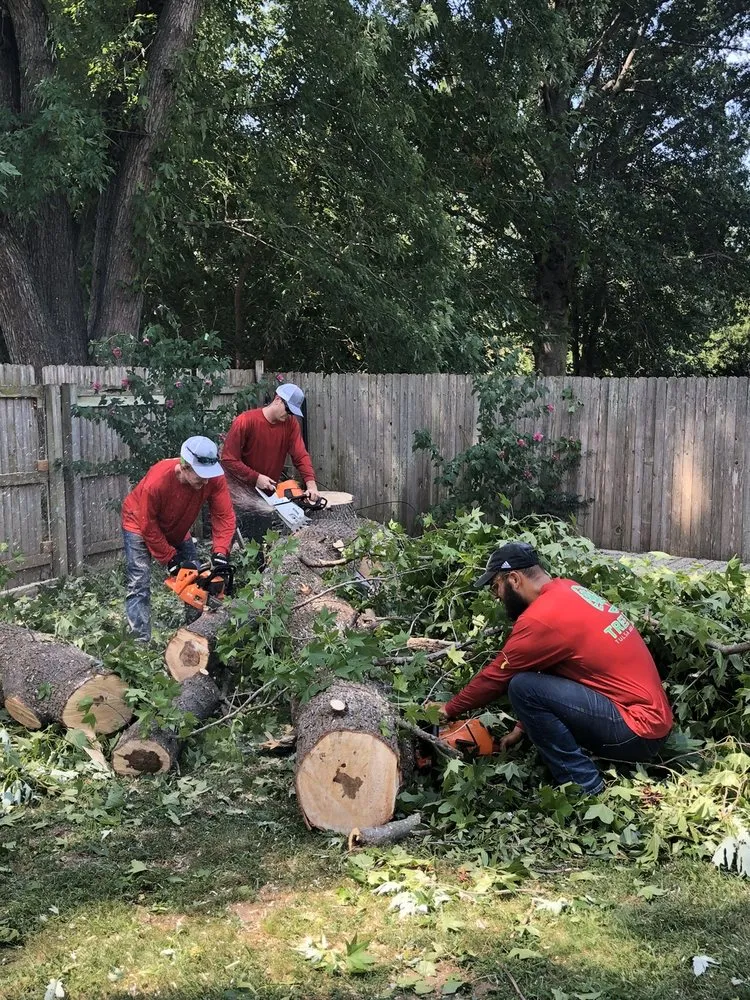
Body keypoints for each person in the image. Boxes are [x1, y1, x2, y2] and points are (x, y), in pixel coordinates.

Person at [436, 541, 673, 795]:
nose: (496, 597)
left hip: (636, 730)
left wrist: (448, 709)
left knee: (522, 687)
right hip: (653, 721)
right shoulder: (568, 589)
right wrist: (522, 726)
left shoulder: (541, 618)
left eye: (496, 587)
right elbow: (556, 666)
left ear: (514, 579)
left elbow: (495, 677)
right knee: (528, 684)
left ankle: (585, 788)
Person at [121, 436, 236, 641]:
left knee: (197, 580)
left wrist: (220, 551)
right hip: (138, 523)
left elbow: (223, 515)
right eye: (201, 475)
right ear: (184, 467)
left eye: (209, 474)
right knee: (139, 583)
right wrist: (169, 558)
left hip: (178, 527)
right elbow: (148, 524)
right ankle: (138, 645)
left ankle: (196, 633)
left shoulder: (213, 479)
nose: (206, 480)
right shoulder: (157, 481)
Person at [221, 382, 321, 545]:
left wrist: (311, 484)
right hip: (238, 495)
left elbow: (300, 455)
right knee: (233, 547)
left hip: (265, 495)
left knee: (261, 547)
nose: (289, 415)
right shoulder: (246, 421)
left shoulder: (290, 424)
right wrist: (255, 477)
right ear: (277, 399)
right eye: (287, 410)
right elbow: (228, 459)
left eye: (292, 413)